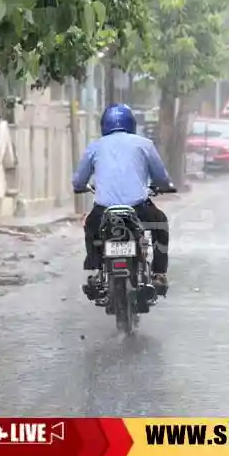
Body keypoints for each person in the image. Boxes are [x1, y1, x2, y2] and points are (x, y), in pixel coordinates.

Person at [71, 103, 173, 305]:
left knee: (91, 226)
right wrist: (163, 186)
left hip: (104, 210)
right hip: (138, 208)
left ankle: (95, 265)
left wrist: (82, 186)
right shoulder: (144, 144)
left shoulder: (95, 146)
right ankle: (158, 274)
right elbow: (161, 177)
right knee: (160, 224)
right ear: (132, 124)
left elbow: (78, 181)